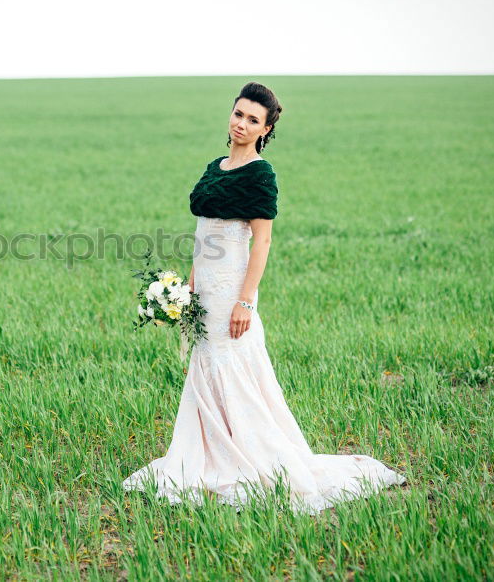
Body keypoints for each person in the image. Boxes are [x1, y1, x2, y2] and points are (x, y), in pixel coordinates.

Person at [122, 82, 407, 515]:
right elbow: (203, 236)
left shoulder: (260, 174)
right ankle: (207, 454)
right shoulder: (213, 166)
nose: (241, 123)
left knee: (234, 369)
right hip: (205, 287)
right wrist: (188, 289)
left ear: (266, 128)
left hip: (233, 291)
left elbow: (263, 242)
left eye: (253, 120)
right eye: (238, 114)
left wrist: (245, 302)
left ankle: (252, 460)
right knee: (205, 369)